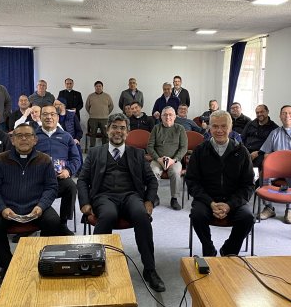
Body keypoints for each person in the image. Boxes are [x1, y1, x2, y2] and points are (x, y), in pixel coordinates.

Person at [77, 113, 165, 292]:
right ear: (108, 130)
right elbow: (82, 179)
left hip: (131, 195)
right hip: (104, 196)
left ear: (128, 132)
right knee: (108, 215)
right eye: (115, 127)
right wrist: (85, 203)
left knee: (141, 215)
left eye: (122, 128)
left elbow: (152, 180)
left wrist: (149, 201)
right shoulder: (95, 153)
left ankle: (150, 269)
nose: (118, 131)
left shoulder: (137, 154)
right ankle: (97, 264)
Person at [0, 123, 62, 284]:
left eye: (28, 135)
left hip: (36, 207)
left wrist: (41, 206)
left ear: (35, 140)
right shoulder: (0, 159)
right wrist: (3, 208)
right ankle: (7, 265)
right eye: (19, 136)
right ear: (12, 140)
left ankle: (42, 260)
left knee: (54, 221)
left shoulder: (45, 160)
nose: (24, 139)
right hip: (8, 208)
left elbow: (51, 187)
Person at [186, 110, 254, 256]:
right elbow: (192, 182)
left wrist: (230, 205)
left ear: (230, 128)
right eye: (215, 126)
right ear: (209, 128)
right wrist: (211, 203)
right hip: (207, 200)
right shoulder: (199, 151)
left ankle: (229, 249)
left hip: (233, 200)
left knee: (247, 217)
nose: (219, 130)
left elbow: (248, 185)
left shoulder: (242, 152)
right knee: (197, 215)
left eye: (223, 126)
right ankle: (208, 248)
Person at [35, 105, 81, 234]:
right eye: (45, 114)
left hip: (59, 179)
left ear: (57, 117)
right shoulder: (33, 136)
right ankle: (33, 222)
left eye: (52, 114)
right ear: (40, 116)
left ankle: (63, 223)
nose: (49, 117)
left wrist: (68, 171)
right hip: (38, 180)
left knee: (71, 186)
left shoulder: (66, 137)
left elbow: (76, 159)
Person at [147, 106, 187, 210]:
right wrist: (158, 158)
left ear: (174, 117)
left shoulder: (180, 129)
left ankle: (174, 199)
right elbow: (150, 147)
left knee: (175, 172)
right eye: (165, 115)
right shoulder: (156, 128)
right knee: (153, 171)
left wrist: (174, 160)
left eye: (170, 115)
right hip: (158, 159)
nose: (167, 117)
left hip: (174, 160)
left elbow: (184, 148)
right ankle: (154, 196)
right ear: (161, 116)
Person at [241, 104, 279, 168]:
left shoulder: (274, 128)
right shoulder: (250, 124)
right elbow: (242, 138)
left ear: (267, 112)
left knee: (259, 164)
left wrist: (259, 152)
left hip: (260, 153)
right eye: (257, 112)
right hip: (246, 151)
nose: (259, 114)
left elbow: (274, 146)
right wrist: (244, 151)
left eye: (262, 112)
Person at [54, 97, 83, 174]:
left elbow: (79, 131)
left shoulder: (72, 115)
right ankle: (60, 171)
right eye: (54, 104)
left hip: (71, 140)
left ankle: (78, 170)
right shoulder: (54, 116)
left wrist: (77, 139)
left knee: (77, 148)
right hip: (58, 141)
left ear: (63, 105)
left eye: (57, 104)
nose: (55, 106)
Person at [85, 81, 114, 147]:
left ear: (102, 87)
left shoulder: (107, 96)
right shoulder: (90, 96)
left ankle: (105, 149)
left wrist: (106, 113)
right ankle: (92, 149)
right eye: (96, 86)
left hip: (104, 119)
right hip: (93, 119)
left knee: (105, 135)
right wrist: (91, 113)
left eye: (99, 86)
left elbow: (111, 106)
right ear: (94, 87)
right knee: (93, 134)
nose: (98, 87)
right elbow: (87, 106)